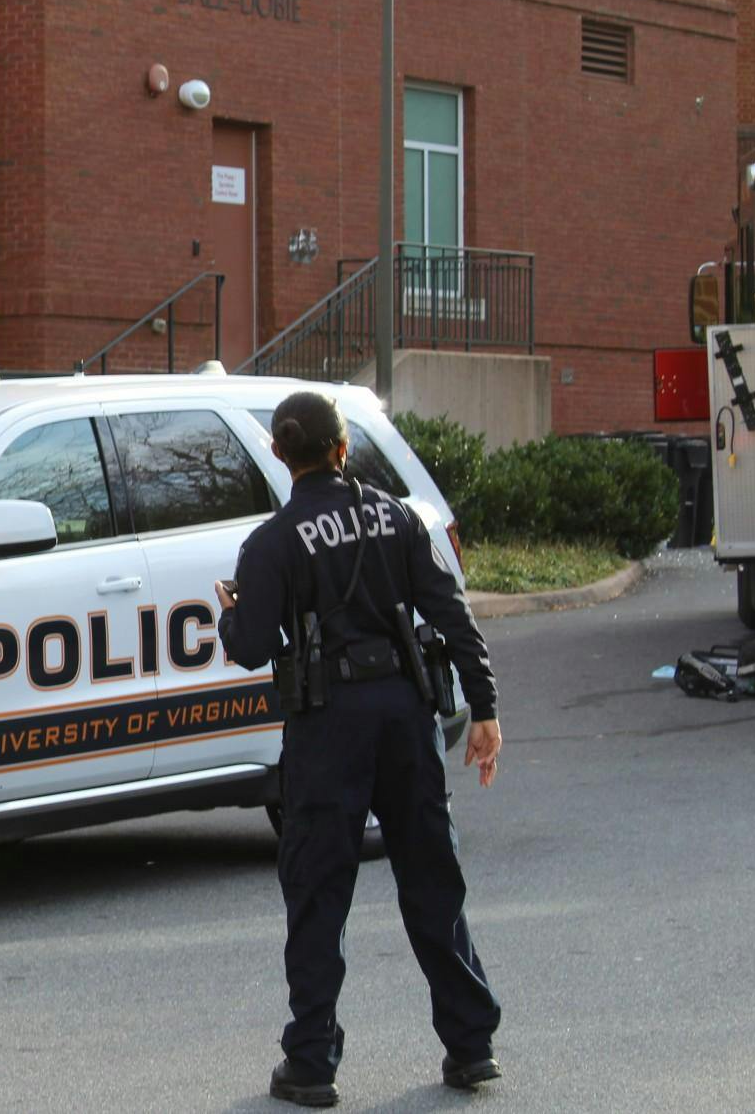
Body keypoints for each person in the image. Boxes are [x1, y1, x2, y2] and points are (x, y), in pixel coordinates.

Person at [214, 391, 503, 1109]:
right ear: (343, 450)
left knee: (319, 893)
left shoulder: (273, 542)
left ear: (280, 455)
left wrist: (231, 613)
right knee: (433, 878)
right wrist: (485, 708)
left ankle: (312, 1063)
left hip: (328, 727)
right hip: (406, 717)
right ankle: (472, 1047)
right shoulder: (397, 517)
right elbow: (451, 612)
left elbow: (252, 645)